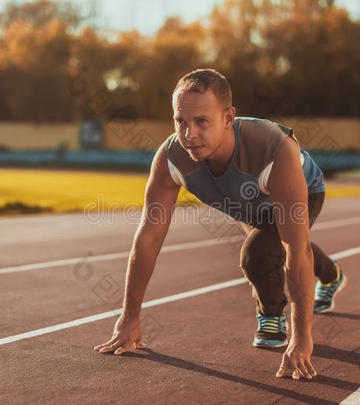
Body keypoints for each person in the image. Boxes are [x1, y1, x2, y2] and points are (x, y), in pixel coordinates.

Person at [94, 68, 346, 380]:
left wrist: (302, 337)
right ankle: (331, 274)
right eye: (180, 121)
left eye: (201, 121)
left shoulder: (274, 148)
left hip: (302, 192)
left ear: (228, 118)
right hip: (244, 203)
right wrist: (129, 315)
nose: (189, 134)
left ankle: (270, 316)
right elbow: (149, 236)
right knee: (272, 243)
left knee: (261, 252)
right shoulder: (172, 157)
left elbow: (296, 247)